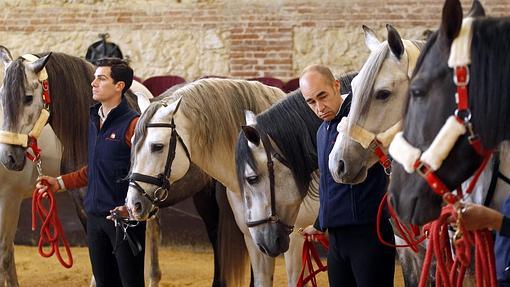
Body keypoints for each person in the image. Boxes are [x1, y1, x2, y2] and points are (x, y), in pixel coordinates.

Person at [36, 58, 145, 287]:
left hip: (123, 221)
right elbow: (95, 170)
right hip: (95, 219)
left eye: (101, 78)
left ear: (119, 86)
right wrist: (59, 183)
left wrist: (132, 209)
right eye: (94, 77)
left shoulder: (134, 124)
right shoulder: (94, 120)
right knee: (104, 283)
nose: (93, 83)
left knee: (130, 283)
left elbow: (145, 174)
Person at [298, 64, 395, 287]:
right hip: (337, 240)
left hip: (370, 235)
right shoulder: (322, 132)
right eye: (311, 102)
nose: (319, 107)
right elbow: (327, 186)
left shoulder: (363, 120)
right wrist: (320, 224)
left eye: (322, 96)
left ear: (335, 86)